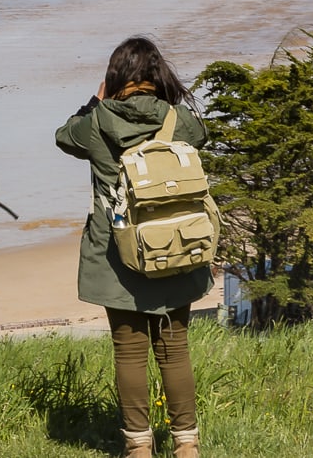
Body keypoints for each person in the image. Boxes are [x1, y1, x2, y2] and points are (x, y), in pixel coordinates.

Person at [55, 36, 210, 458]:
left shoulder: (96, 121)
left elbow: (63, 137)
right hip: (176, 247)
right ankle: (186, 445)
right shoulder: (177, 118)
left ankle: (139, 446)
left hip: (116, 253)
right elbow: (201, 133)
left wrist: (95, 98)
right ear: (157, 76)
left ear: (114, 78)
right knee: (174, 349)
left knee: (129, 353)